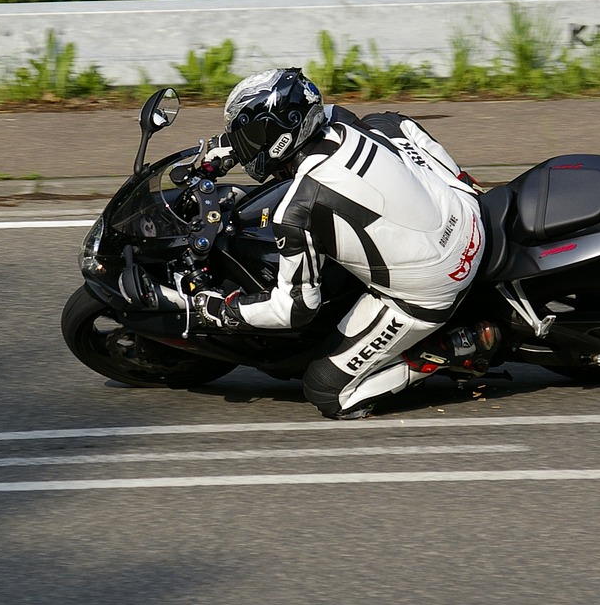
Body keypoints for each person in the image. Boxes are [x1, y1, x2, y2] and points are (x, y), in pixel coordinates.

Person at [193, 67, 495, 419]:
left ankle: (453, 349)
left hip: (437, 282)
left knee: (327, 391)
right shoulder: (342, 120)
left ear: (279, 136)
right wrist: (232, 147)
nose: (245, 145)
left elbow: (296, 308)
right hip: (467, 211)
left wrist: (225, 311)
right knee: (386, 121)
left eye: (251, 135)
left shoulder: (295, 213)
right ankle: (464, 181)